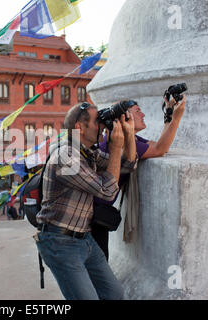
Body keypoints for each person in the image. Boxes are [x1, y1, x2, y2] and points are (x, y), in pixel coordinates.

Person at [34, 102, 138, 300]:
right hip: (60, 242)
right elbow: (107, 191)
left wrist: (128, 133)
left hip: (84, 238)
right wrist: (115, 148)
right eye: (98, 121)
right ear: (79, 128)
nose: (102, 125)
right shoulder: (65, 156)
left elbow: (127, 165)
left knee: (114, 294)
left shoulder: (87, 153)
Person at [92, 95, 186, 261]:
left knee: (98, 265)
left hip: (96, 213)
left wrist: (169, 116)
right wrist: (177, 118)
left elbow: (157, 145)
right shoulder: (122, 143)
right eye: (138, 111)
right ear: (125, 117)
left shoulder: (131, 139)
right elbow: (160, 149)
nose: (143, 115)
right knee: (96, 267)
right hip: (91, 217)